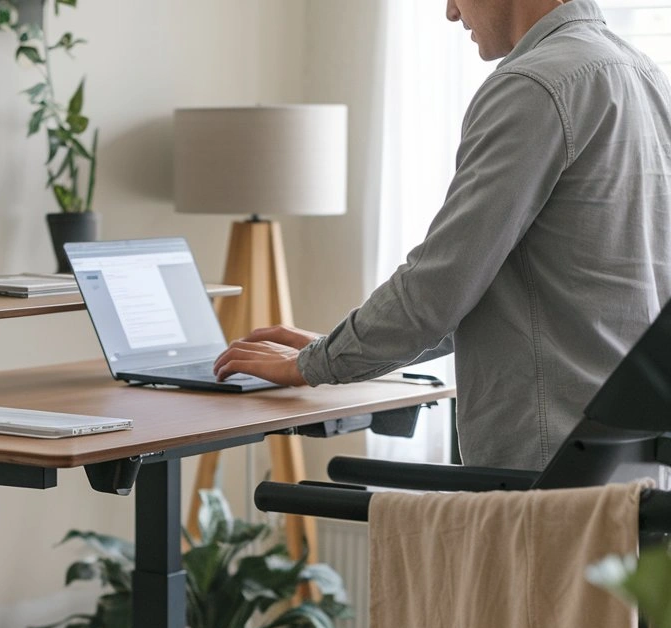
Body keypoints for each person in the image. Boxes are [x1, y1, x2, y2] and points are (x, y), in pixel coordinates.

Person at [213, 0, 671, 471]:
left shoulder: (535, 84)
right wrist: (332, 347)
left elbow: (440, 285)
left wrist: (312, 364)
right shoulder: (641, 74)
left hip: (548, 462)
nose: (451, 12)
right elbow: (501, 289)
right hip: (629, 454)